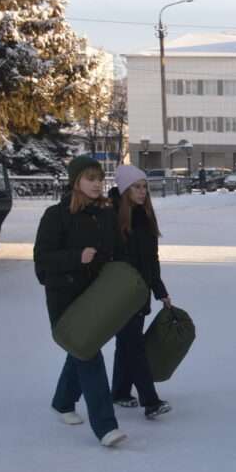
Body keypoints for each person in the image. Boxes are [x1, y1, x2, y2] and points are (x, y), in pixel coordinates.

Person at [34, 156, 126, 447]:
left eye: (99, 178)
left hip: (94, 297)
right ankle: (106, 427)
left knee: (82, 350)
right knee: (88, 353)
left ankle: (62, 402)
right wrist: (76, 257)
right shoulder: (55, 215)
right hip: (64, 298)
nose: (97, 184)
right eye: (90, 178)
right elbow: (42, 260)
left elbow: (114, 254)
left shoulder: (105, 215)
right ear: (76, 181)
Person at [108, 165, 173, 420]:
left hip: (140, 291)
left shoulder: (146, 217)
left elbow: (151, 259)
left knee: (127, 343)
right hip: (119, 292)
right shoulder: (111, 216)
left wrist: (160, 290)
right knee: (133, 345)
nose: (143, 191)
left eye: (144, 186)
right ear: (125, 189)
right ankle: (150, 401)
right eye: (136, 186)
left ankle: (120, 391)